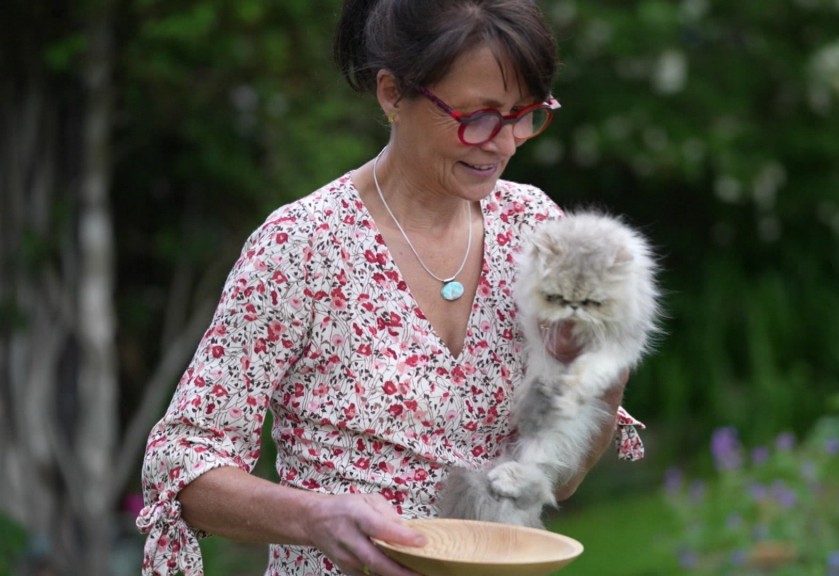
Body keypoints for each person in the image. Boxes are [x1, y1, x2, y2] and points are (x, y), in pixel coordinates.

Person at [136, 1, 645, 575]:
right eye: (475, 116)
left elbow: (560, 476)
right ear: (391, 94)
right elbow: (183, 461)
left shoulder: (536, 230)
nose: (502, 144)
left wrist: (602, 377)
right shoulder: (303, 246)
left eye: (522, 115)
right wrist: (315, 517)